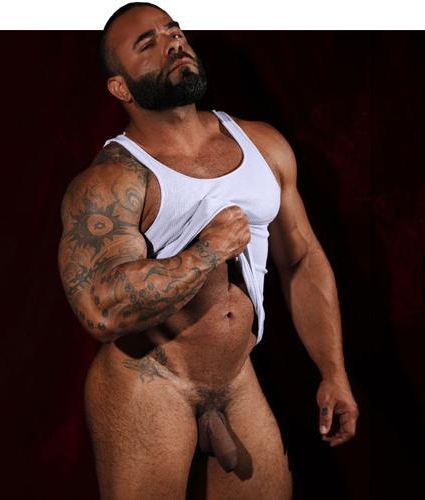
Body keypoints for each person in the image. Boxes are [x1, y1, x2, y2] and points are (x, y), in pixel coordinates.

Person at [58, 2, 359, 499]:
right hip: (151, 383)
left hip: (236, 378)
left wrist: (332, 370)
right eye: (147, 43)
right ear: (120, 87)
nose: (173, 42)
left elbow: (301, 260)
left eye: (173, 31)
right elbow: (100, 310)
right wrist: (206, 252)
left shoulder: (263, 145)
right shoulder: (112, 179)